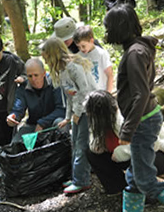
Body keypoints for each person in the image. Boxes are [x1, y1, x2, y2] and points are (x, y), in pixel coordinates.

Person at [103, 4, 164, 211]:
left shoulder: (135, 53)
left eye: (108, 28)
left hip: (143, 123)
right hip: (145, 119)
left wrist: (127, 129)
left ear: (119, 27)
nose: (107, 33)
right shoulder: (137, 48)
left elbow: (141, 93)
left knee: (144, 179)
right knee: (135, 177)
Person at [85, 90, 164, 195]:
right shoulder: (96, 124)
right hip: (131, 159)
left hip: (158, 155)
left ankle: (149, 193)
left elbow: (153, 144)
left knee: (136, 165)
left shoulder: (125, 119)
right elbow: (94, 146)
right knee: (92, 154)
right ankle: (119, 189)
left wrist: (122, 152)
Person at [41, 37, 97, 194]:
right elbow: (70, 96)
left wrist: (77, 114)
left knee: (81, 145)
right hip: (79, 110)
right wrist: (67, 117)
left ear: (53, 55)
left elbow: (84, 92)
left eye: (46, 58)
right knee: (75, 143)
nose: (46, 62)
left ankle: (82, 181)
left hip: (88, 109)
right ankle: (76, 177)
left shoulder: (74, 68)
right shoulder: (63, 71)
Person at [6, 58, 66, 142]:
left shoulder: (55, 83)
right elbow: (18, 109)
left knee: (61, 123)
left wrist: (42, 123)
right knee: (16, 142)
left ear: (44, 73)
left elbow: (61, 110)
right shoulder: (23, 88)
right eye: (30, 76)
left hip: (52, 123)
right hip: (33, 125)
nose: (33, 79)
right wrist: (13, 116)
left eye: (36, 75)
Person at [73, 25, 114, 92]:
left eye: (83, 46)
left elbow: (110, 75)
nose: (81, 49)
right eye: (78, 47)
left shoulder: (101, 54)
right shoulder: (78, 57)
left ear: (91, 41)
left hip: (101, 92)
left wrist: (108, 93)